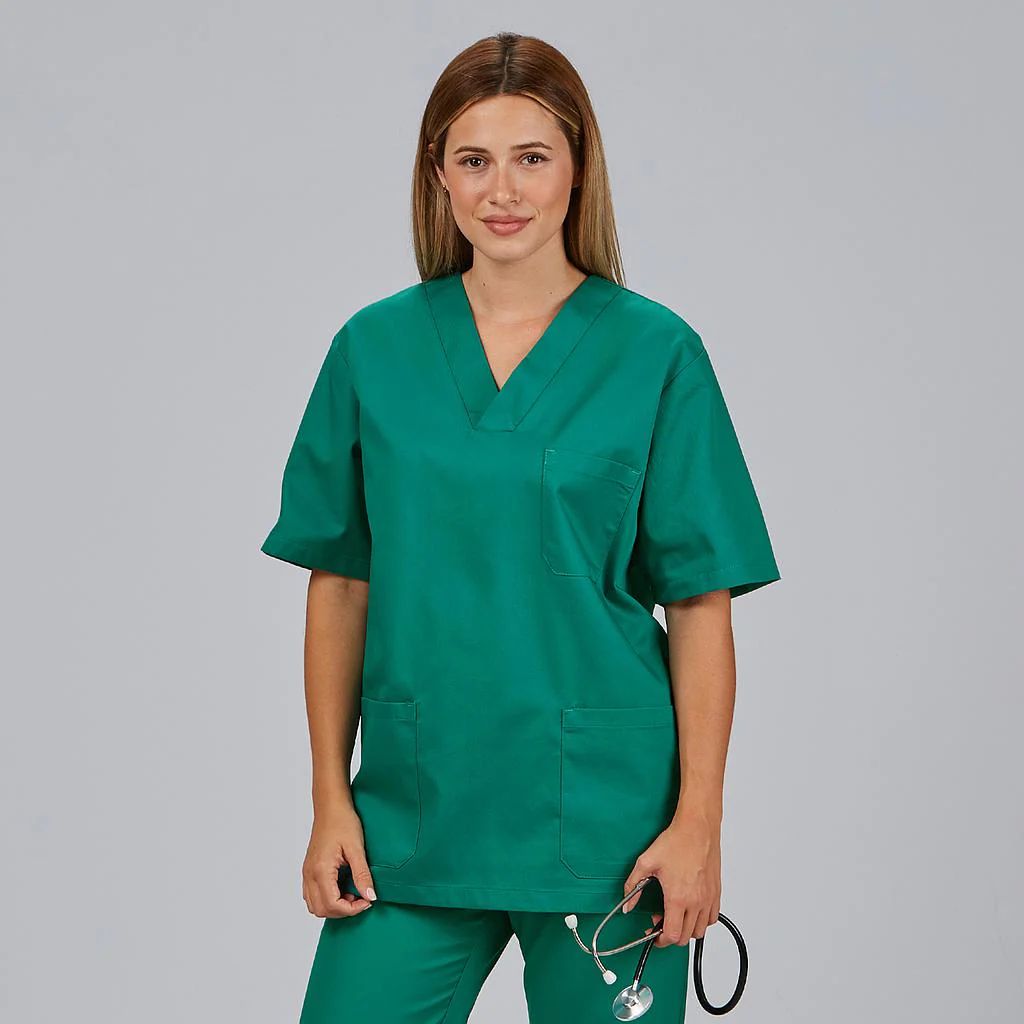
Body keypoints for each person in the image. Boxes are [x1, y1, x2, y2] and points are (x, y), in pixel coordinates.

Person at [260, 30, 781, 1024]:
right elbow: (341, 585)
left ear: (577, 170)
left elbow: (699, 604)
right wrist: (331, 797)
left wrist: (698, 824)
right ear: (439, 175)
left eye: (531, 157)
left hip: (608, 832)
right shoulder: (374, 350)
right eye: (474, 160)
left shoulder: (657, 354)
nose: (502, 190)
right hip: (415, 817)